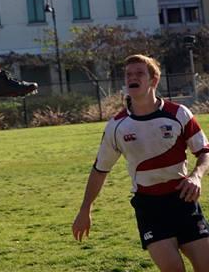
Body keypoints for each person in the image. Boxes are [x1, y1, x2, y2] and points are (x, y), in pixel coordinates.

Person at [73, 54, 209, 271]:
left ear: (153, 80)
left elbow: (204, 151)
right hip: (150, 206)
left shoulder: (179, 114)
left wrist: (196, 176)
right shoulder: (117, 126)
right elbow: (100, 170)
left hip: (184, 201)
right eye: (128, 75)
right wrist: (85, 208)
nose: (132, 78)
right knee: (174, 268)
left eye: (139, 73)